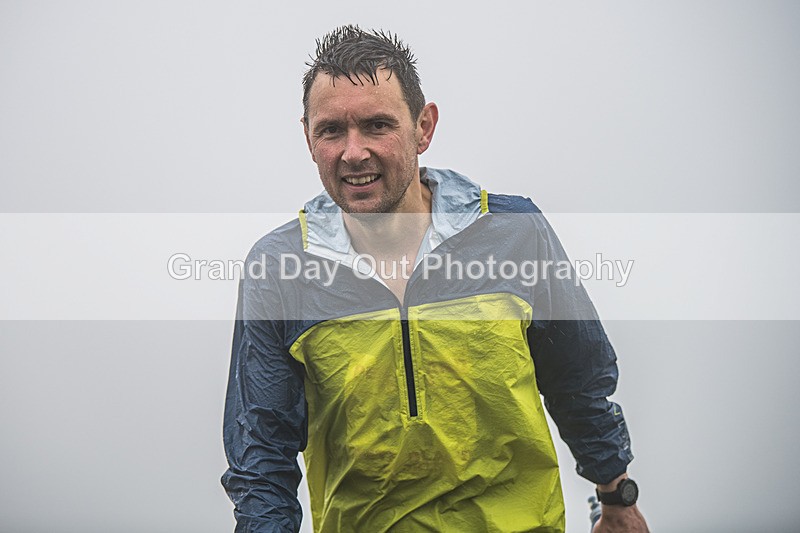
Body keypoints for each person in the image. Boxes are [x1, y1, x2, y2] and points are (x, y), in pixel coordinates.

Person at [222, 25, 649, 533]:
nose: (353, 152)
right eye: (331, 130)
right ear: (308, 138)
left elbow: (578, 379)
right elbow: (261, 451)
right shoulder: (279, 268)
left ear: (424, 127)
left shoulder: (514, 233)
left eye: (378, 125)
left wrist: (616, 495)